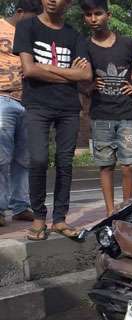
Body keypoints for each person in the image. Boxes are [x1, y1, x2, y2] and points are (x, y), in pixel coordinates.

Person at [13, 0, 92, 240]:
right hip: (37, 104)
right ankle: (39, 217)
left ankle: (59, 219)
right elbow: (29, 70)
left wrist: (44, 68)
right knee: (37, 159)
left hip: (68, 107)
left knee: (64, 162)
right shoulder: (27, 27)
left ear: (68, 3)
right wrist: (69, 76)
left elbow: (86, 74)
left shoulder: (75, 35)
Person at [80, 0, 132, 216]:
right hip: (100, 115)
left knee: (130, 165)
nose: (93, 19)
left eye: (98, 13)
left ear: (108, 15)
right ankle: (110, 212)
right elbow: (78, 80)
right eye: (88, 15)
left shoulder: (127, 43)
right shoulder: (84, 46)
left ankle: (127, 208)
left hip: (125, 116)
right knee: (106, 166)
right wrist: (89, 87)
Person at [0, 0, 42, 227]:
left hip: (27, 101)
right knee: (1, 156)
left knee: (24, 158)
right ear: (19, 12)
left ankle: (19, 206)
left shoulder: (33, 34)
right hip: (1, 98)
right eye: (32, 16)